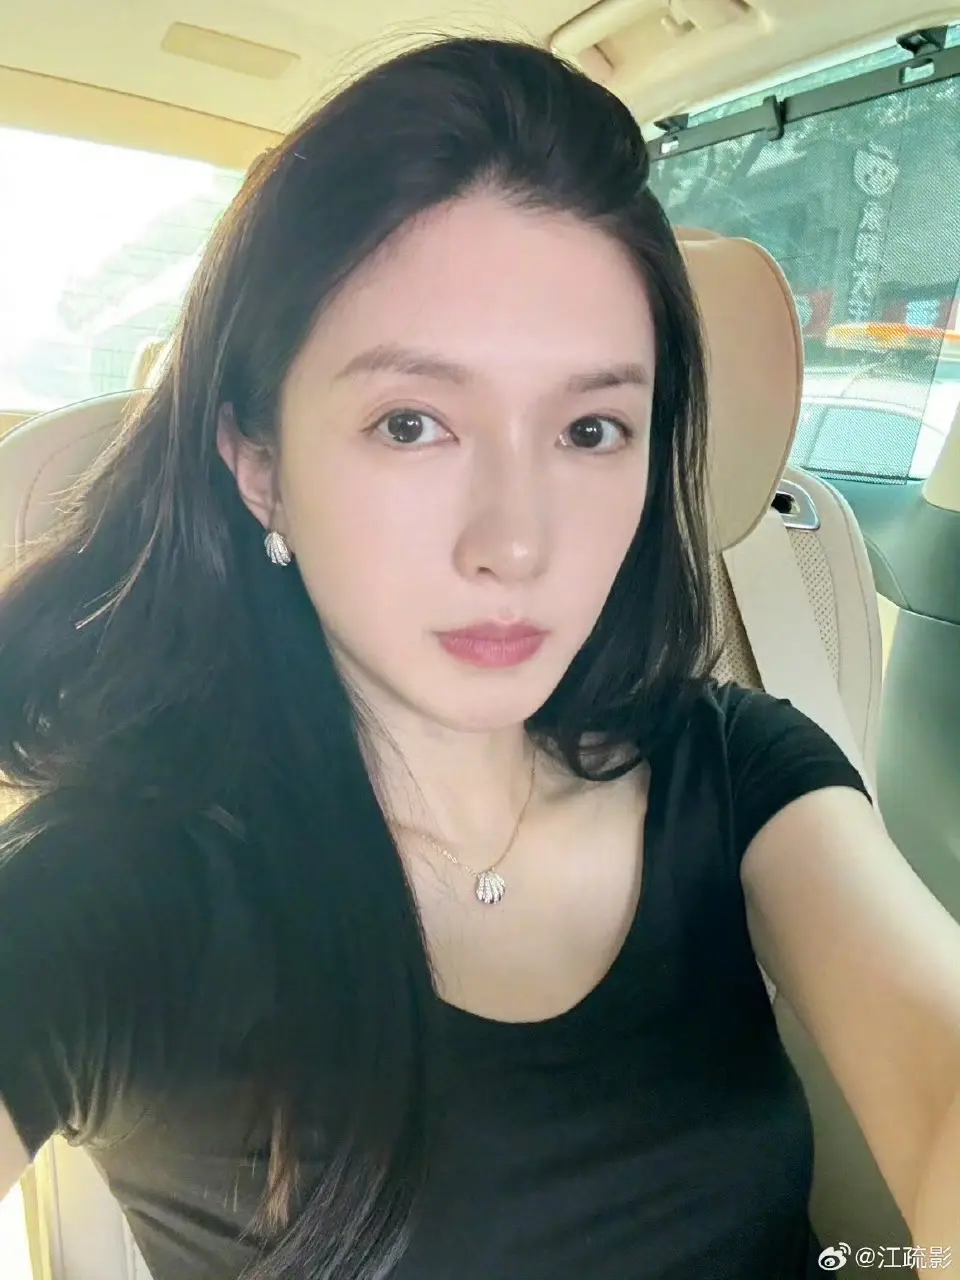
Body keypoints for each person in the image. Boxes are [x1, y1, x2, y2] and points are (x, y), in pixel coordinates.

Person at [0, 35, 958, 1280]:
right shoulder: (112, 892)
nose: (517, 542)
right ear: (259, 463)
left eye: (591, 428)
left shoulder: (735, 766)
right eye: (413, 423)